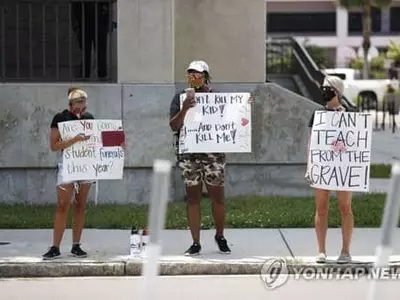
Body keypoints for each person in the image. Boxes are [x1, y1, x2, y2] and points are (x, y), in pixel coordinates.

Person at [169, 60, 231, 256]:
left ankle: (220, 236)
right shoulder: (180, 97)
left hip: (213, 153)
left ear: (205, 76)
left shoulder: (216, 97)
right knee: (193, 197)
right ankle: (195, 242)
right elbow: (173, 125)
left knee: (217, 197)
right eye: (190, 74)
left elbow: (233, 121)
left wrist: (243, 107)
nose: (193, 78)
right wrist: (185, 107)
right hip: (189, 154)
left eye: (197, 74)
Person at [305, 75, 354, 264]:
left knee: (345, 207)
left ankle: (346, 250)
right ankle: (321, 251)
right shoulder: (317, 115)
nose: (324, 91)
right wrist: (310, 166)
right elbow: (312, 143)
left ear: (338, 91)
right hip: (323, 166)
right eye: (323, 87)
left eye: (328, 88)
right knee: (321, 208)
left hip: (343, 168)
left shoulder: (349, 114)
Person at [42, 88, 95, 260]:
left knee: (80, 205)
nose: (81, 108)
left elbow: (97, 140)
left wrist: (117, 142)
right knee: (63, 205)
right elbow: (54, 146)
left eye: (83, 104)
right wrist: (74, 140)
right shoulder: (60, 118)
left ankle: (76, 245)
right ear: (71, 104)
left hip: (84, 165)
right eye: (78, 104)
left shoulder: (89, 119)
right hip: (68, 165)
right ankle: (55, 246)